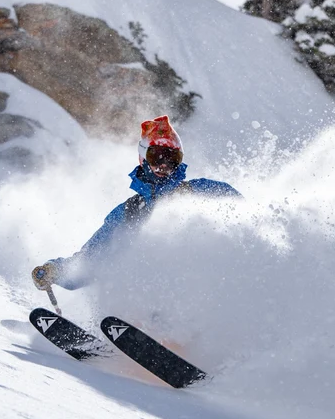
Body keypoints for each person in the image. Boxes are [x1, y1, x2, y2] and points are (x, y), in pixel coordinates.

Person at [32, 115, 239, 292]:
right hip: (150, 300)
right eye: (156, 156)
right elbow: (89, 262)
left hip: (204, 293)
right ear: (143, 157)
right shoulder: (129, 212)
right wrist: (56, 271)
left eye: (171, 158)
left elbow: (245, 214)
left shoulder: (201, 191)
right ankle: (134, 328)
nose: (163, 165)